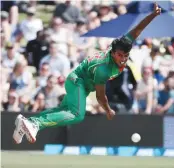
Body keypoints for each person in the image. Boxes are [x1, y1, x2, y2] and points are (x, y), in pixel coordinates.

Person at [12, 3, 161, 144]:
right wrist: (108, 110)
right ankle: (34, 123)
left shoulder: (122, 44)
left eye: (125, 55)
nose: (123, 59)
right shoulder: (104, 69)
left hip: (76, 80)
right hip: (78, 83)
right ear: (113, 53)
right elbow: (100, 96)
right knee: (77, 115)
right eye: (120, 55)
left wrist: (153, 15)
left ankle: (26, 123)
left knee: (63, 111)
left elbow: (137, 30)